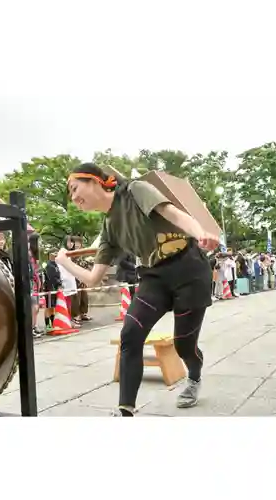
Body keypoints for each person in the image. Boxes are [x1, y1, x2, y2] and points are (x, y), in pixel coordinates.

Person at [55, 163, 218, 416]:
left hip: (190, 269)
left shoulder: (135, 190)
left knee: (184, 345)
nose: (74, 198)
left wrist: (200, 234)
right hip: (154, 277)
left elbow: (174, 214)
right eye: (71, 194)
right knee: (130, 335)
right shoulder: (109, 229)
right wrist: (65, 263)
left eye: (75, 188)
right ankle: (125, 411)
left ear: (95, 181)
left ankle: (194, 377)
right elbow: (94, 278)